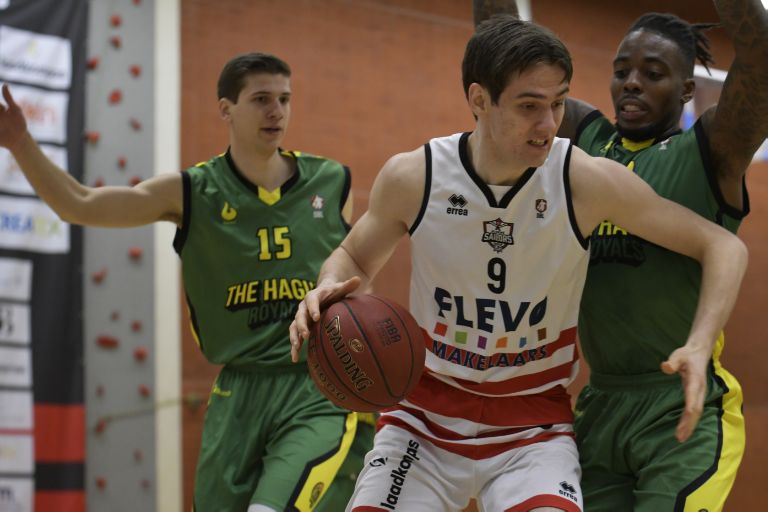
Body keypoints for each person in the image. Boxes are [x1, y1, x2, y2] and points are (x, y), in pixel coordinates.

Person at [290, 16, 748, 512]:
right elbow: (353, 256)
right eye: (530, 106)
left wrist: (700, 344)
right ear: (479, 100)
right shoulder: (415, 176)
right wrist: (327, 288)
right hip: (423, 418)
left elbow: (724, 245)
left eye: (557, 103)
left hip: (532, 430)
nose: (549, 124)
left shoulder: (583, 180)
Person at [0, 52, 374, 512]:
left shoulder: (331, 181)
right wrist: (21, 144)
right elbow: (80, 204)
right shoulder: (193, 190)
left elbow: (357, 277)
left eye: (284, 99)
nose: (276, 111)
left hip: (315, 384)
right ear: (225, 109)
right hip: (238, 390)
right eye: (260, 99)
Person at [473, 1, 768, 510]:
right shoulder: (588, 142)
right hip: (600, 404)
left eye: (653, 74)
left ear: (687, 90)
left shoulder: (712, 149)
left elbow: (761, 57)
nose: (632, 83)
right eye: (621, 71)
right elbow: (502, 49)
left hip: (681, 406)